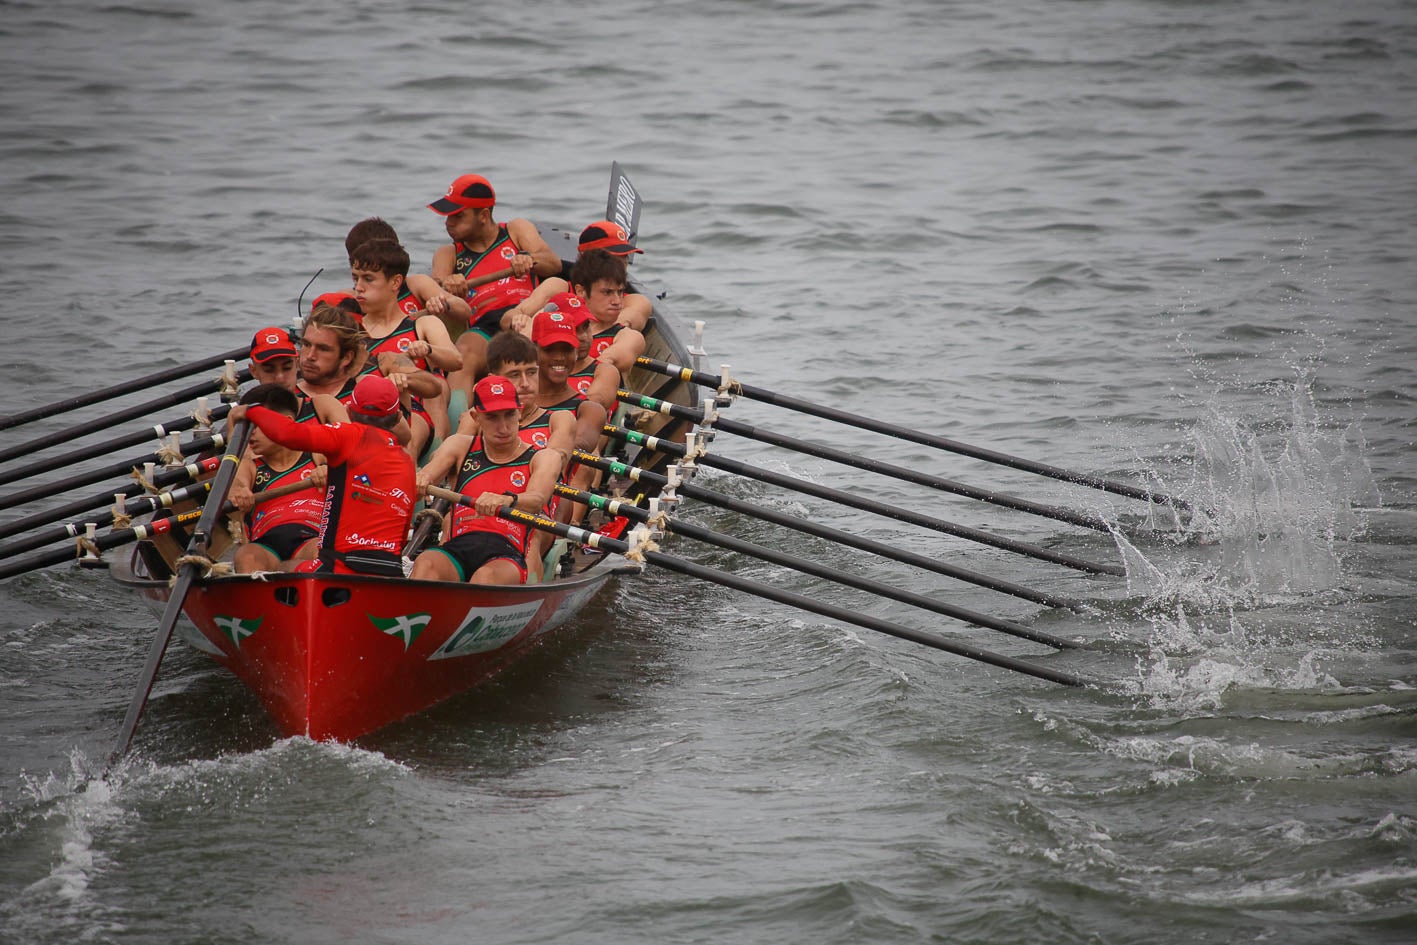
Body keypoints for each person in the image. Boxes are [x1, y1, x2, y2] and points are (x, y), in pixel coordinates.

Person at [229, 373, 415, 577]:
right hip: (390, 570)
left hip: (340, 565)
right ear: (397, 417)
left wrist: (250, 411)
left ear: (349, 412)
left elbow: (289, 433)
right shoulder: (407, 462)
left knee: (282, 570)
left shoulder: (345, 436)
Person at [412, 375, 562, 585]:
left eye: (509, 415)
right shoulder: (459, 446)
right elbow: (430, 472)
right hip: (458, 548)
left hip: (507, 553)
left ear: (519, 412)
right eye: (492, 417)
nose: (503, 427)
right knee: (426, 562)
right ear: (475, 417)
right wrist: (422, 478)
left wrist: (506, 500)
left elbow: (537, 499)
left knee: (485, 578)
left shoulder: (544, 457)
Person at [427, 173, 561, 397]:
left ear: (484, 215)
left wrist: (529, 258)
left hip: (526, 312)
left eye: (458, 216)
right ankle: (456, 426)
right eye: (447, 216)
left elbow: (554, 264)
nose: (449, 223)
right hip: (484, 328)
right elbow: (434, 287)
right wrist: (447, 286)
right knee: (464, 354)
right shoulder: (448, 253)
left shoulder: (515, 230)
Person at [350, 237, 463, 440]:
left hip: (411, 412)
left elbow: (456, 361)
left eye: (368, 279)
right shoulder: (351, 330)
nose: (358, 287)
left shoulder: (423, 325)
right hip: (358, 411)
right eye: (355, 278)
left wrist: (429, 350)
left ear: (395, 282)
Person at [228, 384, 325, 573]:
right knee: (246, 557)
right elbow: (235, 482)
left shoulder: (317, 454)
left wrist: (332, 472)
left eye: (258, 425)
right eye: (248, 427)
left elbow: (357, 468)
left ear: (285, 422)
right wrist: (239, 491)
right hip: (266, 545)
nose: (251, 434)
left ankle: (287, 571)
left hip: (312, 537)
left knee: (324, 553)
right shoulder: (250, 464)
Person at [502, 220, 654, 335]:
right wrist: (518, 320)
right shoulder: (558, 287)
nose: (621, 265)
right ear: (584, 256)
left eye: (625, 257)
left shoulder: (634, 301)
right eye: (612, 258)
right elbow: (508, 318)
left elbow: (623, 323)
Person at [247, 325, 300, 395]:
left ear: (297, 364)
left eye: (287, 368)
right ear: (254, 371)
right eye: (269, 370)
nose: (280, 379)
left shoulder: (316, 403)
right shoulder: (245, 404)